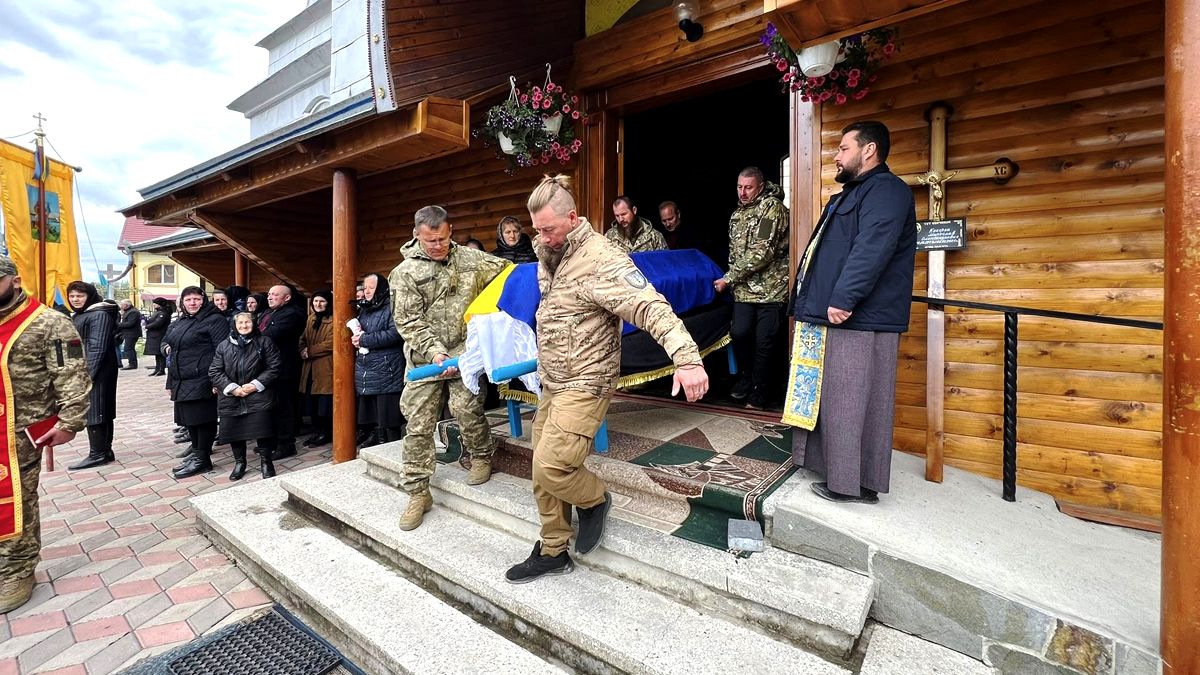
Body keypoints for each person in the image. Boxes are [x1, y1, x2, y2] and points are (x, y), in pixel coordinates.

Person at [505, 175, 710, 583]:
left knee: (553, 466)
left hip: (586, 380)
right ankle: (553, 549)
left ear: (573, 218)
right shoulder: (550, 250)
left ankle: (596, 499)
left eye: (548, 229)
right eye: (536, 230)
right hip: (554, 379)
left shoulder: (602, 258)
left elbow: (650, 305)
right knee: (541, 471)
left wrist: (687, 359)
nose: (541, 238)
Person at [786, 121, 916, 504]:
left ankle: (852, 485)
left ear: (869, 150)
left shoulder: (887, 191)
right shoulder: (852, 194)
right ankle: (827, 467)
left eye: (843, 149)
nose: (837, 156)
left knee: (852, 400)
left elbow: (872, 248)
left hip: (858, 316)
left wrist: (844, 298)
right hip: (830, 313)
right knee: (830, 396)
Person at [391, 205, 509, 531]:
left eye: (442, 239)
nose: (438, 246)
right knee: (418, 424)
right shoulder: (405, 274)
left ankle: (482, 455)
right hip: (424, 360)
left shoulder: (471, 260)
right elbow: (409, 322)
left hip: (464, 354)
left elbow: (509, 272)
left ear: (451, 230)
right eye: (430, 241)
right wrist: (435, 354)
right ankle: (417, 492)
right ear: (417, 235)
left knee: (466, 408)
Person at [0, 257, 91, 613]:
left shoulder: (49, 323)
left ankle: (17, 570)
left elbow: (73, 377)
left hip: (21, 430)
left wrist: (69, 422)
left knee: (15, 499)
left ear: (15, 280)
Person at [714, 166, 791, 410]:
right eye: (739, 187)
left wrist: (729, 278)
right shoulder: (737, 214)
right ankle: (748, 378)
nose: (743, 192)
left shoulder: (772, 208)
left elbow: (763, 251)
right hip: (744, 291)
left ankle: (760, 392)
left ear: (760, 186)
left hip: (771, 289)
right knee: (739, 333)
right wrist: (733, 278)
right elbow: (735, 253)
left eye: (748, 188)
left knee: (764, 342)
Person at [163, 286, 229, 478]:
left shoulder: (215, 320)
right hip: (181, 378)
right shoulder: (182, 320)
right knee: (188, 420)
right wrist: (167, 350)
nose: (192, 303)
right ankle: (197, 453)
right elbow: (167, 342)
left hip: (203, 377)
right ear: (183, 302)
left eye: (196, 299)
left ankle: (203, 458)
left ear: (203, 300)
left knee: (203, 419)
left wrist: (217, 380)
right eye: (188, 300)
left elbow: (221, 351)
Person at [210, 311, 283, 480]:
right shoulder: (224, 345)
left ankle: (266, 462)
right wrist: (232, 388)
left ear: (254, 324)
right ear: (234, 326)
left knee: (262, 431)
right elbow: (215, 370)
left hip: (259, 394)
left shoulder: (264, 342)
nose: (244, 326)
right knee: (235, 432)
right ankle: (240, 463)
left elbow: (275, 366)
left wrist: (254, 385)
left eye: (247, 322)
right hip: (231, 397)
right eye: (240, 323)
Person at [64, 281, 120, 470]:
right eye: (72, 296)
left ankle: (98, 453)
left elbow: (97, 348)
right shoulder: (81, 315)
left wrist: (86, 376)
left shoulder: (99, 314)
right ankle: (104, 451)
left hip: (99, 370)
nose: (75, 299)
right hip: (86, 369)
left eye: (79, 296)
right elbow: (74, 343)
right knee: (98, 409)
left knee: (96, 409)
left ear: (89, 296)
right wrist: (72, 367)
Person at [353, 274, 406, 447]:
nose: (366, 291)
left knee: (388, 415)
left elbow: (395, 334)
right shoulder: (365, 309)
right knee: (373, 414)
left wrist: (364, 340)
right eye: (365, 287)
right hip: (367, 367)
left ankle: (393, 448)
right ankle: (379, 443)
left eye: (371, 288)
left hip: (387, 367)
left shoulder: (392, 307)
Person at [258, 285, 306, 459]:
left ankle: (286, 444)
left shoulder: (292, 314)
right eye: (269, 294)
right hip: (266, 369)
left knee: (284, 408)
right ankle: (272, 440)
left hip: (284, 369)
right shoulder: (266, 312)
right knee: (270, 407)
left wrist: (252, 337)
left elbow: (270, 335)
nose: (270, 297)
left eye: (275, 295)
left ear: (286, 298)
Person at [300, 289, 334, 447]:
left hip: (325, 366)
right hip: (310, 366)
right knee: (312, 402)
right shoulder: (311, 318)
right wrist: (302, 349)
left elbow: (331, 343)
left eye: (322, 301)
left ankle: (325, 433)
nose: (318, 304)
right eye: (315, 301)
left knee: (324, 404)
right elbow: (303, 338)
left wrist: (310, 351)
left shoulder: (334, 319)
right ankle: (318, 431)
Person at [143, 297, 172, 377]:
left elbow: (158, 323)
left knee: (160, 353)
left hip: (160, 335)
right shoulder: (158, 312)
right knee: (157, 353)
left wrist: (147, 326)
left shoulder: (163, 313)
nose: (154, 305)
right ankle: (157, 368)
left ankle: (161, 369)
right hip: (155, 335)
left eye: (155, 303)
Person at [115, 299, 143, 370]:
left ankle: (132, 363)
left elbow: (131, 323)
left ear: (127, 305)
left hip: (132, 333)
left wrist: (119, 324)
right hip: (129, 333)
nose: (121, 306)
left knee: (128, 348)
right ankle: (132, 363)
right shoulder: (128, 311)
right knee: (129, 348)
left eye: (122, 304)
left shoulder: (133, 312)